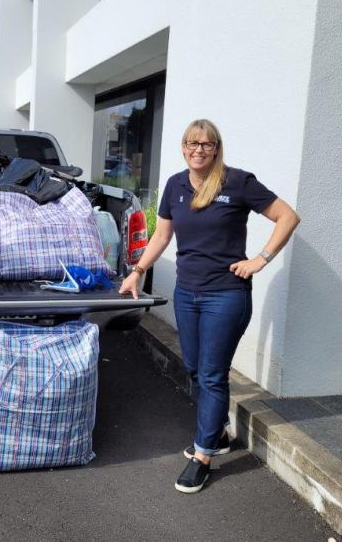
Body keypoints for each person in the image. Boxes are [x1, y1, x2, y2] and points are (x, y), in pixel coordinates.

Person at [119, 119, 300, 494]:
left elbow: (287, 217)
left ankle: (202, 457)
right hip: (188, 292)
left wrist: (260, 259)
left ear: (216, 148)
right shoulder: (175, 185)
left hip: (226, 295)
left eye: (206, 144)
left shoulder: (238, 182)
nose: (198, 149)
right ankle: (216, 433)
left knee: (213, 374)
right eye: (192, 143)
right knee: (194, 369)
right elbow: (162, 234)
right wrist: (137, 270)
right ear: (183, 147)